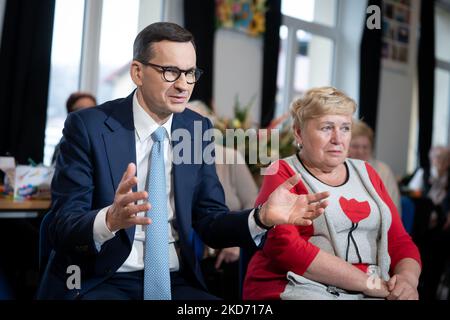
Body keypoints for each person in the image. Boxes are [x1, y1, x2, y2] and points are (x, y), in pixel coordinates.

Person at [36, 22, 329, 300]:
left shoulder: (196, 128)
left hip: (175, 280)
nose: (183, 85)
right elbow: (62, 224)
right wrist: (110, 220)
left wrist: (260, 217)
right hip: (99, 278)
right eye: (170, 72)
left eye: (190, 73)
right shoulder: (89, 127)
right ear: (137, 72)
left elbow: (209, 220)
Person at [243, 87, 421, 300]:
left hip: (372, 288)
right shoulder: (282, 171)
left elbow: (399, 241)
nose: (338, 139)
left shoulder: (368, 173)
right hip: (298, 286)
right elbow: (285, 247)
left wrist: (407, 281)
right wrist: (368, 283)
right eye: (326, 128)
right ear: (298, 132)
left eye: (345, 128)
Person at [188, 100, 259, 299]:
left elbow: (252, 202)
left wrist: (235, 240)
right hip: (188, 253)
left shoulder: (230, 157)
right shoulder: (173, 159)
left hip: (228, 252)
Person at [348, 119, 402, 217]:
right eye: (355, 146)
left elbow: (393, 209)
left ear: (371, 148)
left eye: (365, 147)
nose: (360, 151)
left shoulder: (383, 171)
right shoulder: (339, 169)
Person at [418, 145, 450, 300]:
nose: (440, 161)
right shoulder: (423, 174)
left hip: (443, 229)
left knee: (436, 266)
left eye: (444, 158)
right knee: (420, 263)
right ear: (431, 158)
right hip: (423, 228)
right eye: (437, 157)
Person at [51, 92, 97, 164]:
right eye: (81, 110)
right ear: (70, 115)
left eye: (91, 109)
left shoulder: (103, 143)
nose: (87, 115)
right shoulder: (65, 144)